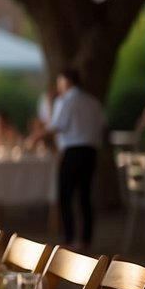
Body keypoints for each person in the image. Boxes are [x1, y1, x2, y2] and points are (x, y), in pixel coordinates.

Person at [31, 68, 106, 249]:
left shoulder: (64, 102)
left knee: (65, 195)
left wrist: (36, 136)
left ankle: (70, 237)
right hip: (91, 151)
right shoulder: (93, 102)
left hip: (73, 151)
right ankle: (86, 238)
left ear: (66, 81)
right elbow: (102, 124)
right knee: (85, 196)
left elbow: (56, 125)